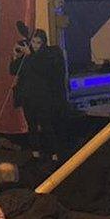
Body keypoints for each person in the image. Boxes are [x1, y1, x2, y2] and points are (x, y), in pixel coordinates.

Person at [11, 29, 70, 160]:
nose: (35, 45)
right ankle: (35, 153)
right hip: (28, 96)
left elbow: (43, 69)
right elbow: (14, 70)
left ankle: (54, 153)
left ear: (43, 43)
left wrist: (30, 55)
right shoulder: (28, 56)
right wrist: (15, 57)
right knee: (31, 125)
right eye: (33, 42)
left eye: (38, 43)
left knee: (46, 125)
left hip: (42, 97)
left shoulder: (47, 55)